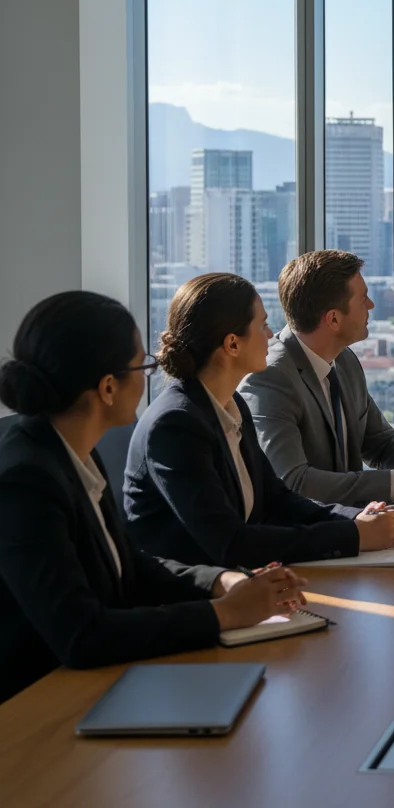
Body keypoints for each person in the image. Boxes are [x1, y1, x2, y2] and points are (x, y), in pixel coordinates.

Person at [0, 291, 308, 704]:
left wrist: (222, 582)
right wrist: (226, 613)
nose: (150, 376)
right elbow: (82, 634)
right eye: (142, 366)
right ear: (108, 387)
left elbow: (130, 564)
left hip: (93, 685)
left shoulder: (70, 450)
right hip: (35, 707)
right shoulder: (25, 482)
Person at [124, 273, 394, 569]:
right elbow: (232, 543)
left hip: (243, 580)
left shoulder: (232, 405)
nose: (271, 334)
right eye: (262, 325)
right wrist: (354, 535)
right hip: (193, 590)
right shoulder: (176, 425)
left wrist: (356, 519)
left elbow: (278, 500)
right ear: (232, 344)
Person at [239, 251, 394, 505]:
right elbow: (294, 483)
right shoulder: (269, 379)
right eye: (363, 299)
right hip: (310, 527)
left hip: (352, 521)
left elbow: (381, 444)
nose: (371, 305)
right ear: (333, 319)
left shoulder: (344, 360)